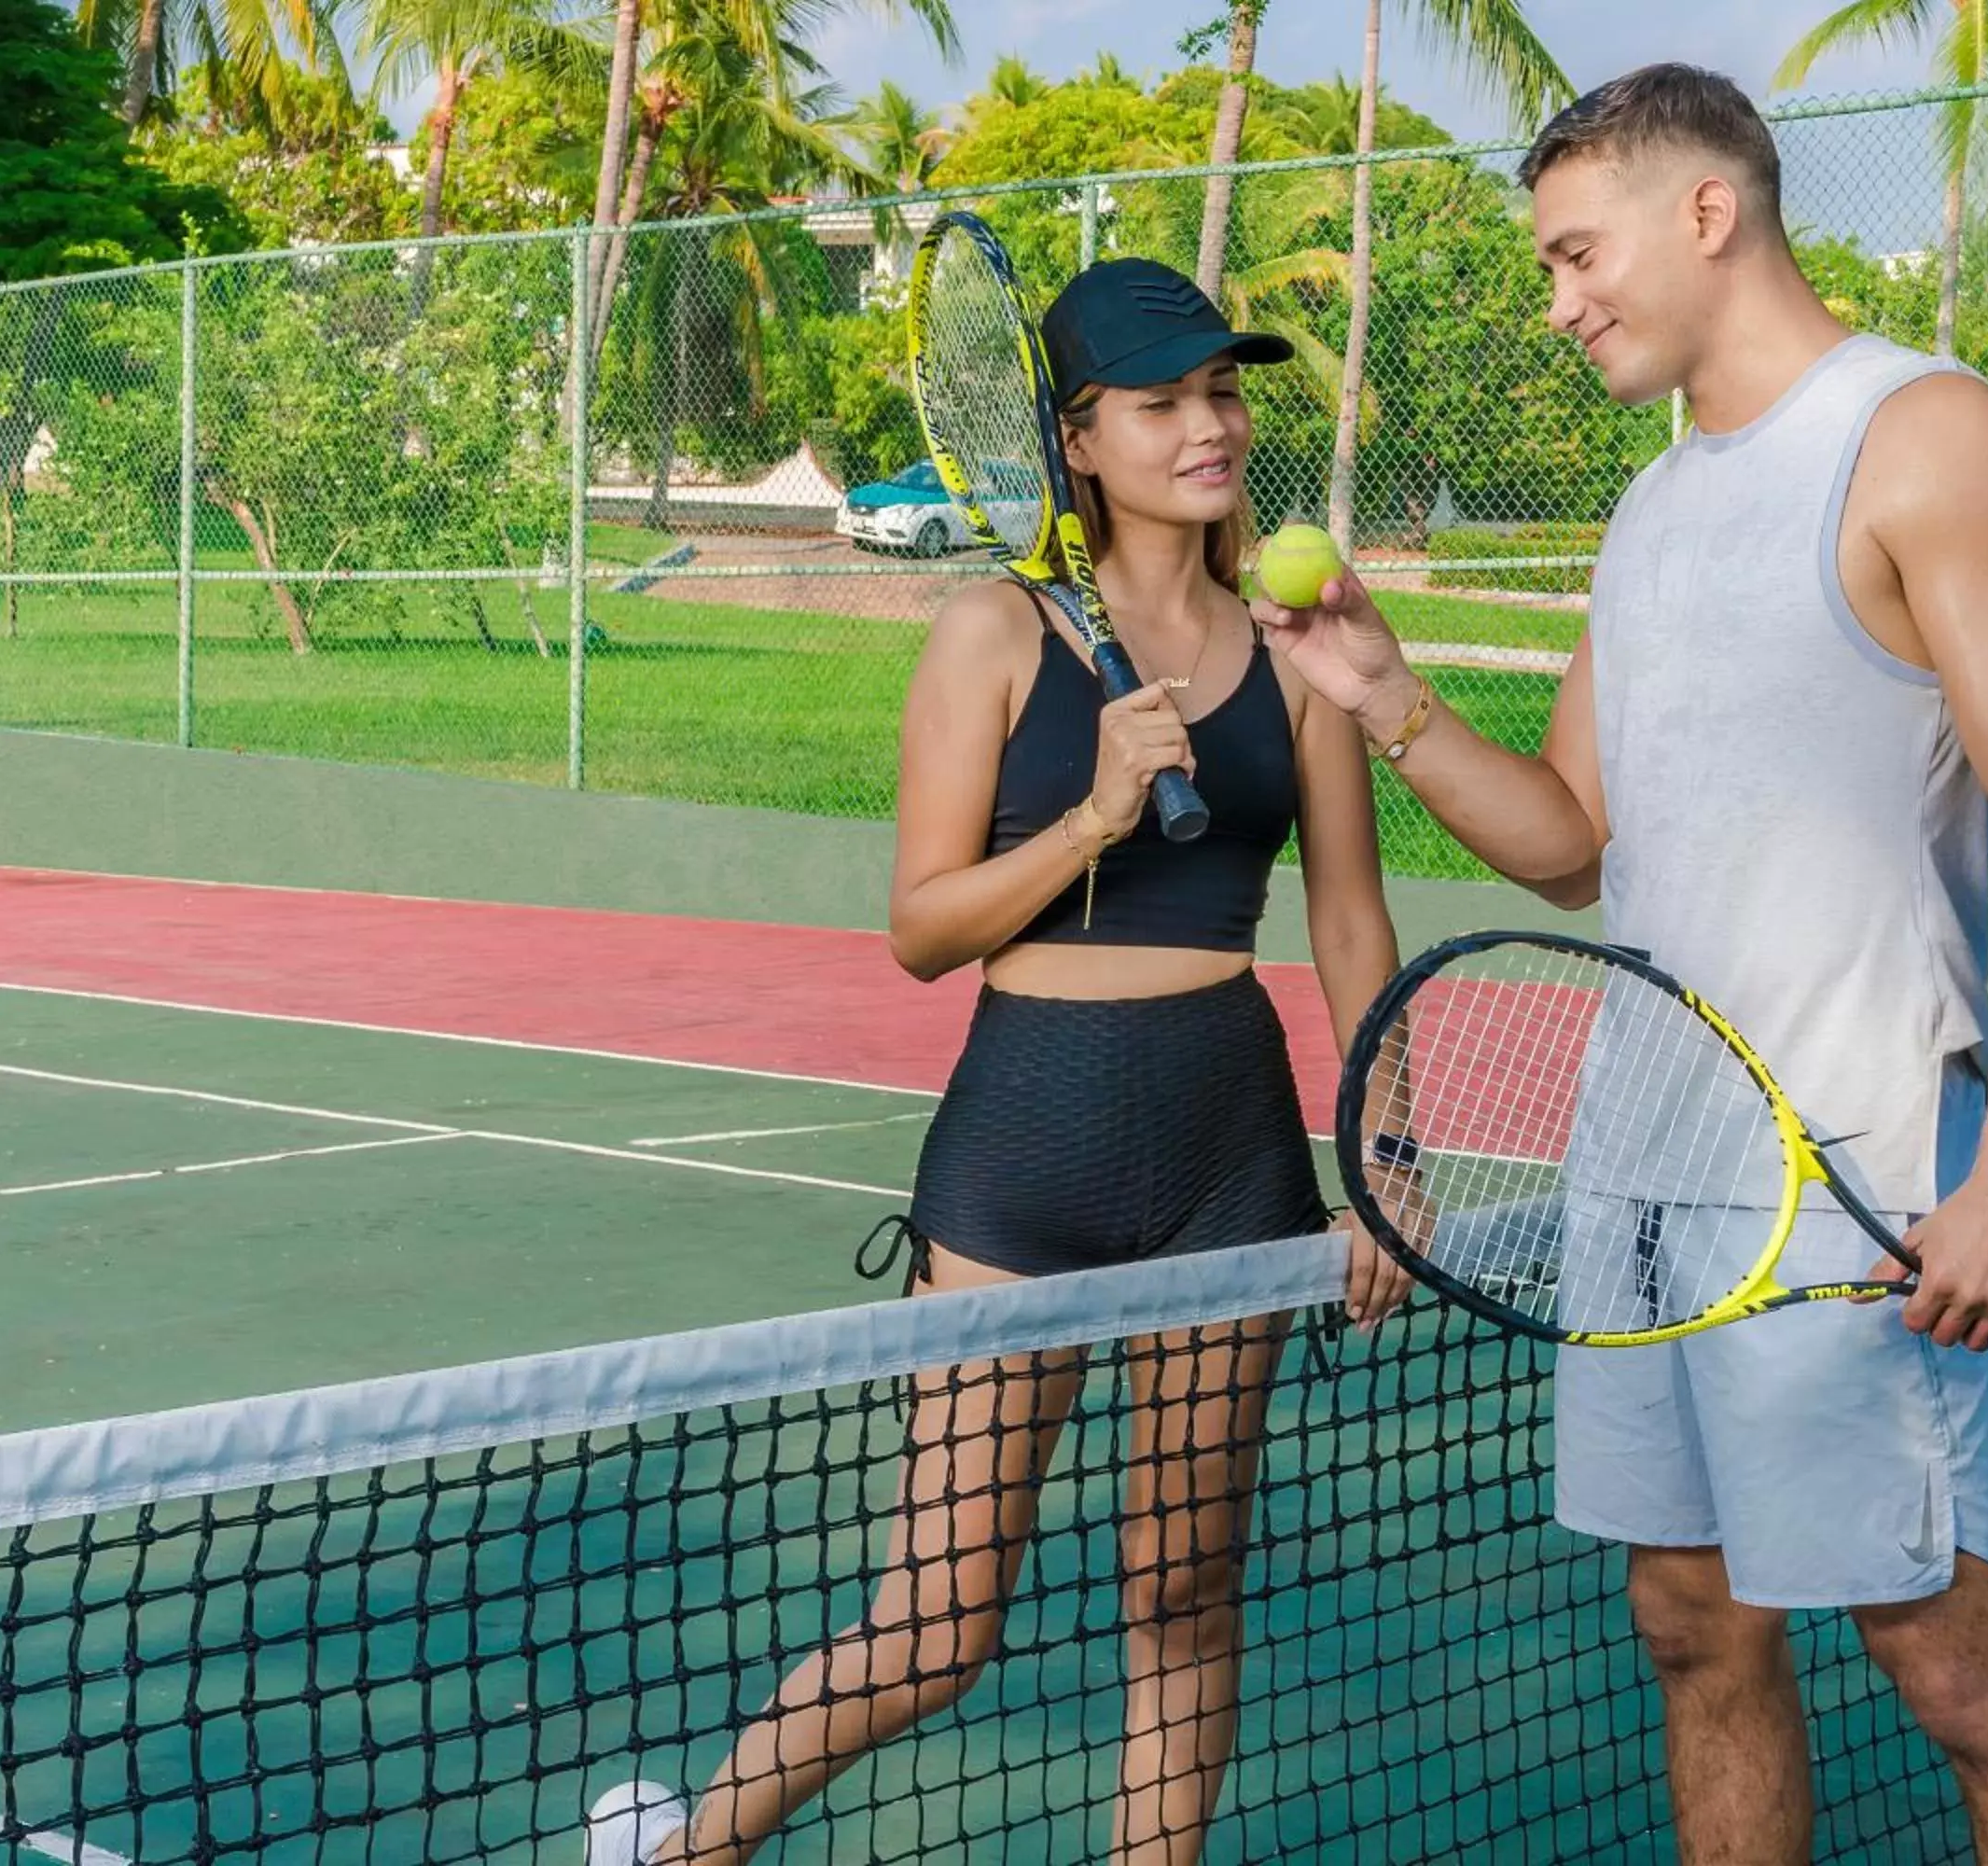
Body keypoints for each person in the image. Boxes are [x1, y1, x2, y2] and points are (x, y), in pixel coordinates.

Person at [1254, 63, 1988, 1866]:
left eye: (1580, 255)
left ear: (1707, 214)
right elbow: (1576, 842)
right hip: (1643, 1173)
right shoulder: (1652, 515)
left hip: (1857, 1169)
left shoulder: (1926, 439)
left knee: (1962, 1679)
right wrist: (1387, 697)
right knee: (1689, 1624)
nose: (1561, 298)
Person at [585, 257, 1413, 1866]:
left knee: (1183, 1592)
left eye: (1225, 394)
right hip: (1023, 1151)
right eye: (1164, 402)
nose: (1210, 425)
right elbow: (922, 926)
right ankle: (689, 1853)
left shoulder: (1299, 645)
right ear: (1080, 438)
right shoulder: (993, 633)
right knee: (940, 1625)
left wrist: (1385, 1160)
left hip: (1231, 1158)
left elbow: (1357, 928)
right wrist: (1098, 816)